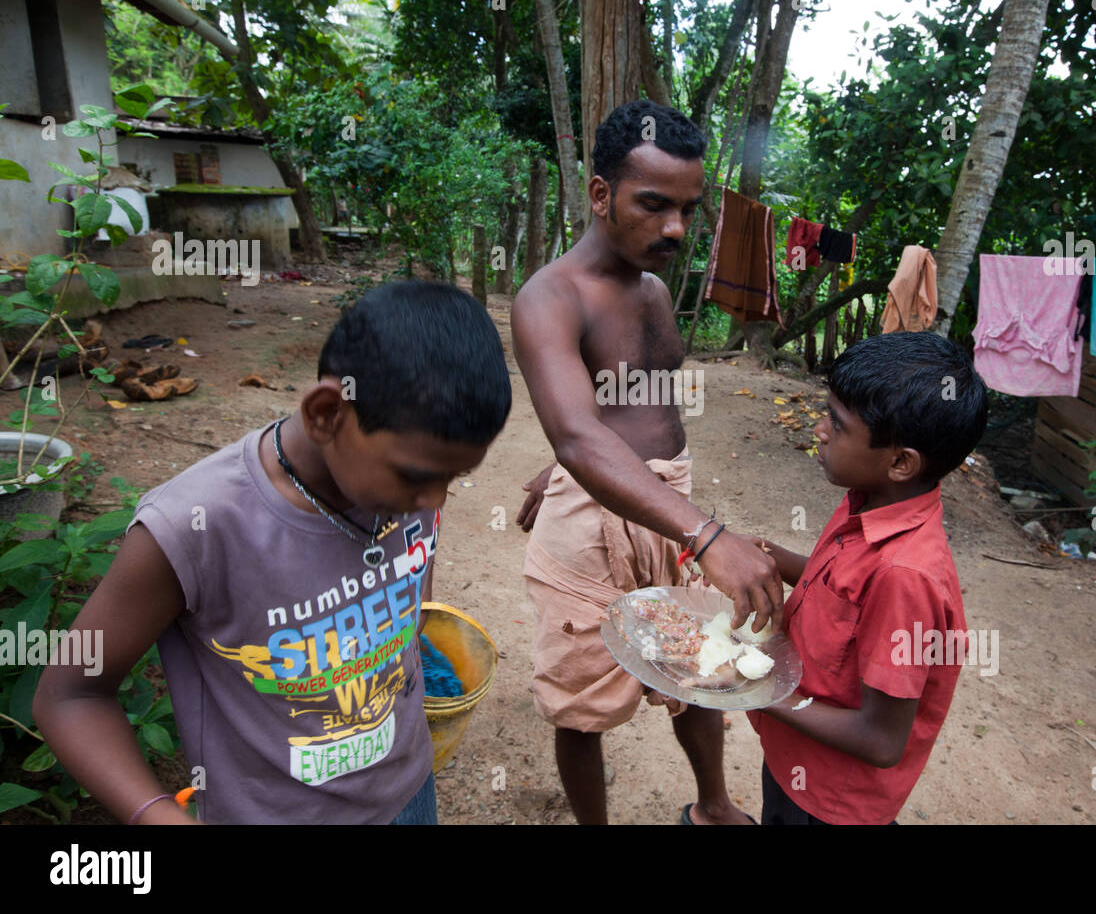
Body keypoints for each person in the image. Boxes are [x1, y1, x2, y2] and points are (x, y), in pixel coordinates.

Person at [33, 281, 512, 824]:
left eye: (453, 477)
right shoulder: (197, 526)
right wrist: (155, 815)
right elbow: (70, 697)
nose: (432, 501)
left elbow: (409, 595)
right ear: (327, 414)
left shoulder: (406, 491)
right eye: (418, 477)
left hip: (409, 792)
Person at [512, 100, 784, 825]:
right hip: (600, 525)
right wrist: (705, 533)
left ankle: (715, 805)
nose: (675, 229)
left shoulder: (657, 291)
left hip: (664, 504)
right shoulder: (549, 297)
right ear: (600, 194)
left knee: (698, 664)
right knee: (582, 699)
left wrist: (566, 465)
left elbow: (623, 409)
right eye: (654, 204)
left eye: (687, 210)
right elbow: (577, 433)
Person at [739, 332, 989, 824]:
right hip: (797, 761)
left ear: (900, 462)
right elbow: (840, 593)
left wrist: (749, 690)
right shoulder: (868, 500)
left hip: (831, 801)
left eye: (837, 423)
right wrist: (762, 554)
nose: (819, 429)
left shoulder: (905, 577)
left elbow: (880, 740)